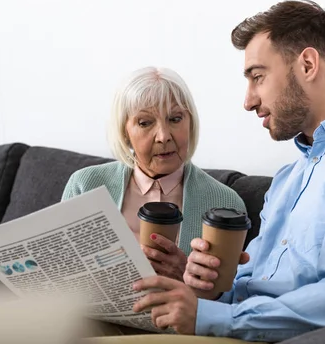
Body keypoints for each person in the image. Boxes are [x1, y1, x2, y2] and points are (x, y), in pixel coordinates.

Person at [85, 0, 325, 344]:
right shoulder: (290, 177)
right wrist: (202, 282)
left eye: (257, 76)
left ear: (307, 65)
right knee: (51, 338)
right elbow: (250, 285)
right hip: (241, 329)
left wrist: (210, 315)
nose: (248, 100)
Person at [62, 66, 247, 281]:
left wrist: (185, 276)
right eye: (145, 123)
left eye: (175, 119)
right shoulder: (84, 185)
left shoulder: (225, 203)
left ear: (191, 123)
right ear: (125, 131)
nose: (163, 136)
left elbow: (226, 298)